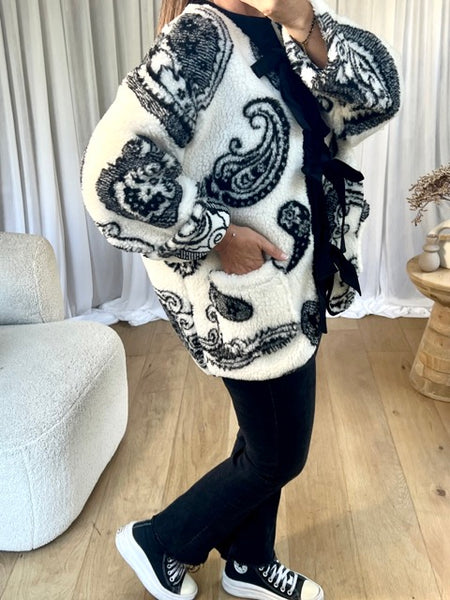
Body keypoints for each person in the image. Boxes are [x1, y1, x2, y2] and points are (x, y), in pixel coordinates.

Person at [81, 0, 400, 598]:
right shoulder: (198, 37)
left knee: (265, 438)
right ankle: (161, 540)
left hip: (295, 286)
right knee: (278, 456)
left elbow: (377, 99)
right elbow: (109, 178)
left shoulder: (284, 29)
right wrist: (216, 234)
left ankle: (249, 561)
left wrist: (305, 24)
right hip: (250, 301)